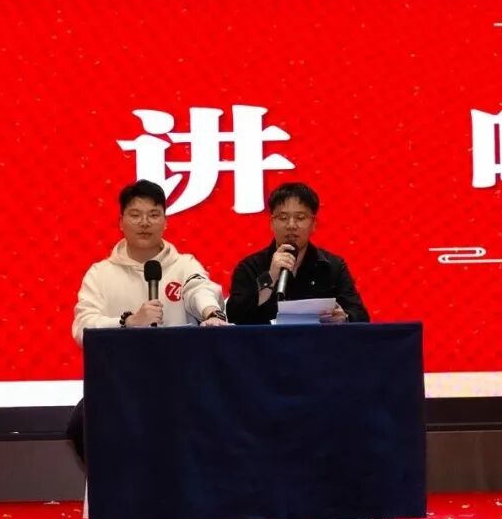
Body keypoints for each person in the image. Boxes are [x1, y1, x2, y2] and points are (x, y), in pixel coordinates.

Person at [68, 179, 228, 463]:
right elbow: (83, 327)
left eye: (154, 214)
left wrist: (211, 314)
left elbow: (199, 289)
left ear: (165, 221)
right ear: (121, 222)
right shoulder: (100, 274)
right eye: (135, 215)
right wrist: (127, 322)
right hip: (122, 384)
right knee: (80, 425)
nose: (145, 223)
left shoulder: (184, 265)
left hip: (179, 382)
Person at [226, 182, 369, 325]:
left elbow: (361, 316)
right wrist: (270, 277)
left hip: (316, 339)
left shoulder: (333, 267)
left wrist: (344, 317)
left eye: (300, 218)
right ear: (272, 223)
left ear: (313, 224)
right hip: (265, 340)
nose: (291, 225)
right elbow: (234, 316)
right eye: (283, 218)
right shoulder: (250, 267)